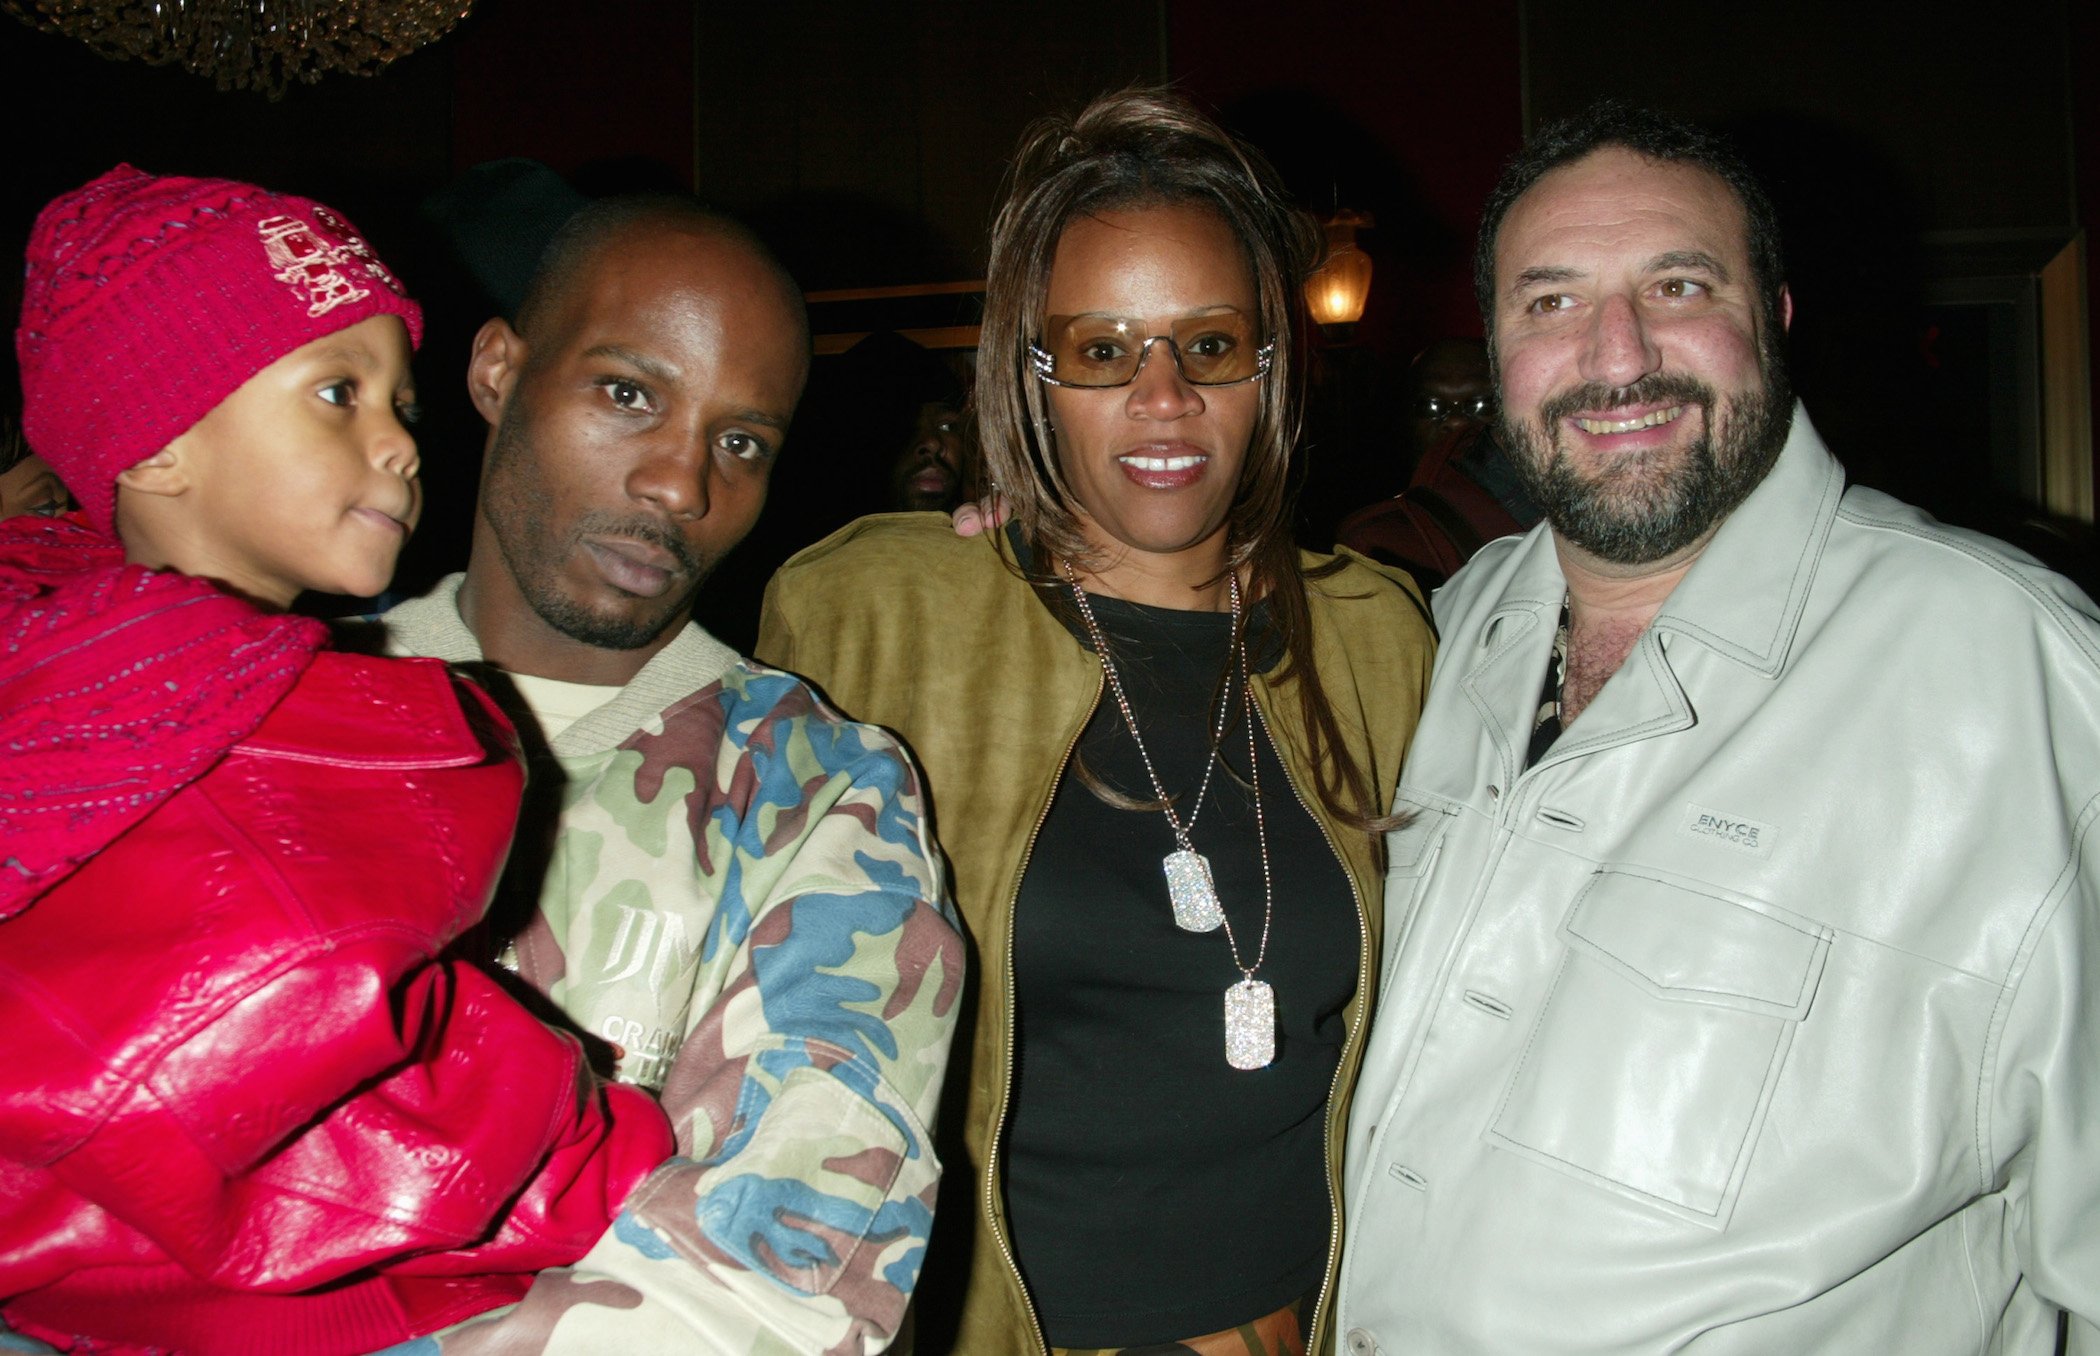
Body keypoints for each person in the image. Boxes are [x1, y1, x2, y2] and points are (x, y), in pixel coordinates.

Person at [1337, 102, 2100, 1354]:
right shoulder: (1436, 637)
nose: (1618, 354)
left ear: (1775, 319)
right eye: (1551, 302)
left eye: (1678, 284)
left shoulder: (2012, 675)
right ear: (1496, 355)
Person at [760, 90, 1434, 1355]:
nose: (1164, 395)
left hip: (1317, 1323)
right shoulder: (876, 618)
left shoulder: (1381, 637)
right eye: (1104, 349)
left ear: (1271, 365)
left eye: (1213, 345)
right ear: (1034, 372)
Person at [0, 166, 672, 1355]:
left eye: (401, 404)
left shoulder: (97, 668)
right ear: (158, 447)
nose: (399, 446)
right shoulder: (195, 720)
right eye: (336, 393)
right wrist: (598, 1141)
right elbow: (288, 1068)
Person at [371, 193, 963, 1354]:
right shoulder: (265, 702)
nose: (681, 487)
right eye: (630, 394)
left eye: (741, 440)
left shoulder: (819, 793)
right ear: (498, 371)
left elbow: (796, 1268)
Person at [1334, 338, 1538, 591]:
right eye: (1431, 407)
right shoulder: (1376, 539)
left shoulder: (1549, 510)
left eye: (1479, 404)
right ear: (1406, 418)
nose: (1455, 422)